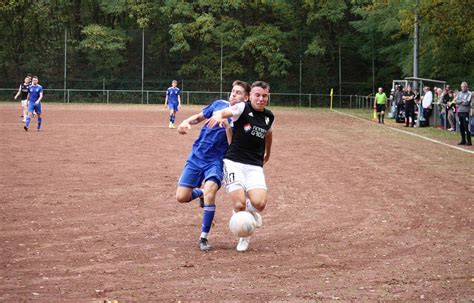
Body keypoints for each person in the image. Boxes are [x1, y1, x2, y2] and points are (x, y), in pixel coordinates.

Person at [175, 80, 251, 251]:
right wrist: (186, 122)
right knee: (181, 197)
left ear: (246, 98)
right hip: (196, 156)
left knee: (211, 194)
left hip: (215, 161)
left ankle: (204, 237)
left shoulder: (243, 120)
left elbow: (234, 147)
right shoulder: (218, 105)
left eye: (238, 92)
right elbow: (199, 117)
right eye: (233, 91)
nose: (233, 94)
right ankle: (200, 193)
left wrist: (227, 128)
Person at [207, 81, 274, 252]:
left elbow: (269, 134)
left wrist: (268, 153)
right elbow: (226, 111)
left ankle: (251, 211)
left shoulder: (269, 116)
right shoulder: (242, 108)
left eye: (264, 96)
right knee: (239, 205)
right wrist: (218, 115)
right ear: (250, 95)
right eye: (257, 95)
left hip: (254, 165)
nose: (261, 99)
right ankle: (244, 237)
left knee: (260, 204)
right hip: (234, 162)